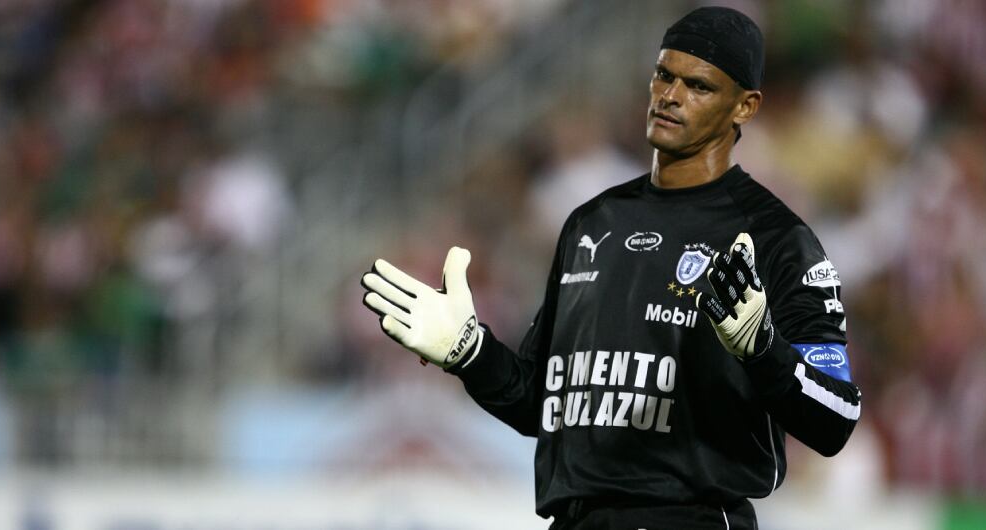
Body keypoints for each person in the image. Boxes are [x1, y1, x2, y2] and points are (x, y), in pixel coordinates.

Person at [361, 6, 861, 529]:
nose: (670, 95)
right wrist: (471, 352)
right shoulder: (591, 223)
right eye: (664, 75)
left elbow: (836, 419)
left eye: (699, 86)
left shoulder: (776, 239)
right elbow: (543, 404)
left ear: (745, 106)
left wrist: (763, 350)